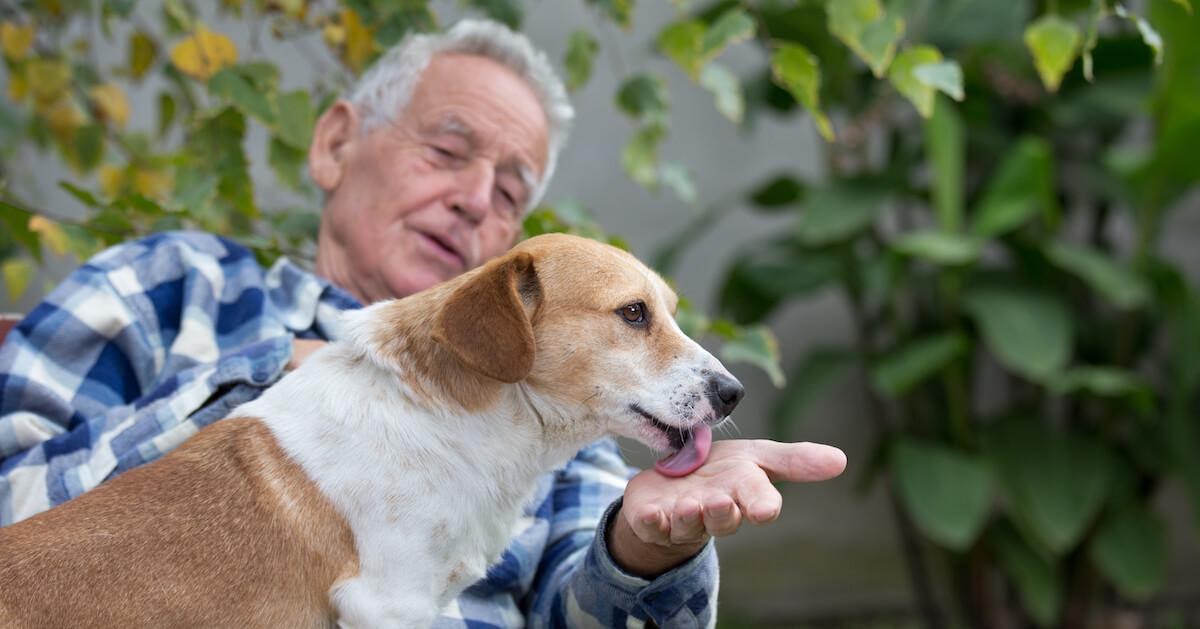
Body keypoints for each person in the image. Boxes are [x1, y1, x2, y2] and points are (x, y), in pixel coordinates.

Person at [0, 19, 846, 627]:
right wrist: (260, 385)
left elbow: (584, 618)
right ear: (334, 142)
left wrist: (648, 543)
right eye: (446, 151)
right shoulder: (168, 286)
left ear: (520, 259)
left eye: (511, 190)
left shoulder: (566, 407)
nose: (476, 197)